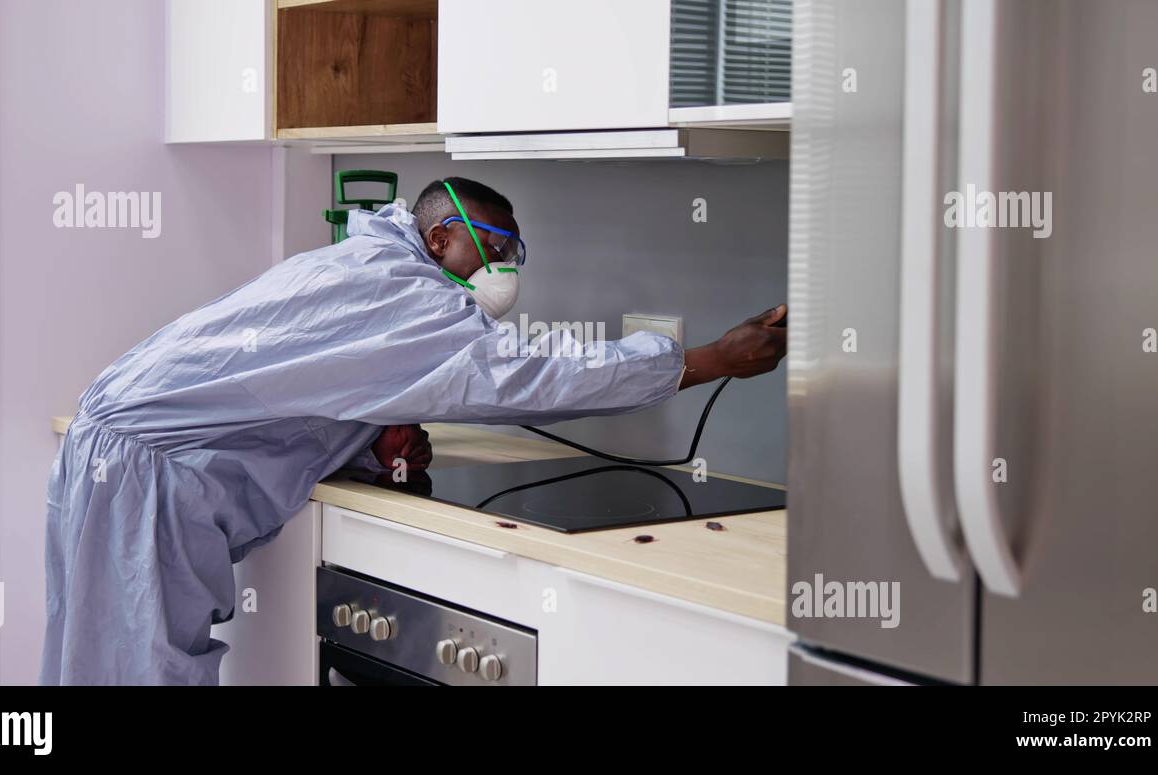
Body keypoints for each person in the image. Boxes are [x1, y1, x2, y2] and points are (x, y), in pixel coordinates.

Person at [40, 177, 787, 685]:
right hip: (145, 471)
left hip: (115, 449)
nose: (503, 269)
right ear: (440, 238)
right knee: (141, 671)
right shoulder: (408, 296)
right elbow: (529, 373)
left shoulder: (363, 265)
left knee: (98, 661)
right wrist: (707, 358)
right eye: (495, 249)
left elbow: (302, 376)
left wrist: (371, 432)